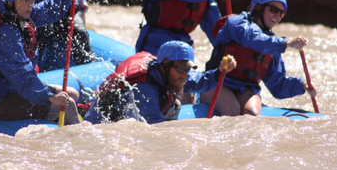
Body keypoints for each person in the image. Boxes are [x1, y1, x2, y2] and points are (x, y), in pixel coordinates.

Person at [0, 0, 81, 124]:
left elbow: (47, 11)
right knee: (67, 104)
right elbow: (21, 73)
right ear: (11, 2)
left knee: (72, 94)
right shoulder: (4, 33)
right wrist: (48, 97)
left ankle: (51, 121)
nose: (30, 5)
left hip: (15, 89)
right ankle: (77, 141)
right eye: (25, 0)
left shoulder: (19, 15)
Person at [201, 0, 317, 116]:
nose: (277, 16)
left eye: (281, 13)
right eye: (274, 10)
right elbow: (251, 38)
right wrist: (286, 43)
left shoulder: (272, 45)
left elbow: (277, 84)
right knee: (232, 109)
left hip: (245, 89)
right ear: (258, 8)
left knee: (252, 113)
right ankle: (202, 96)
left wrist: (302, 85)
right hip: (217, 81)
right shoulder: (236, 23)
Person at [84, 40, 236, 124]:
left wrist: (219, 71)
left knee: (174, 103)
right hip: (102, 123)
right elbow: (156, 131)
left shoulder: (173, 72)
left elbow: (199, 81)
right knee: (174, 104)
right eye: (182, 69)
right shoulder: (143, 88)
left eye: (188, 68)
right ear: (164, 66)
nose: (185, 74)